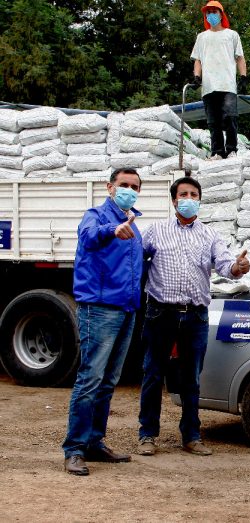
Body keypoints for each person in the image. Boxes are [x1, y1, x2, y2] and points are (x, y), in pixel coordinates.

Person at [137, 176, 250, 457]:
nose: (189, 198)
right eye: (183, 194)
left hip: (195, 315)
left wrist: (239, 266)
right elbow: (137, 261)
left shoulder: (209, 235)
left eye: (194, 194)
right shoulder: (155, 231)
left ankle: (191, 435)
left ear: (199, 199)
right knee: (153, 374)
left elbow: (226, 266)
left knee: (192, 378)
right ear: (174, 200)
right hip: (161, 312)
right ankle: (147, 435)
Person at [62, 168, 144, 476]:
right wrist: (112, 231)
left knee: (108, 381)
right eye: (124, 185)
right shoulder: (95, 215)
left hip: (125, 309)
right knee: (90, 379)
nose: (129, 190)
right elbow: (88, 236)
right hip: (99, 309)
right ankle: (74, 449)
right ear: (110, 187)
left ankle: (94, 442)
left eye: (134, 186)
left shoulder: (134, 224)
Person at [191, 0, 247, 160]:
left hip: (227, 84)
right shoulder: (202, 37)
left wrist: (243, 77)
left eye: (214, 12)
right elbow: (198, 60)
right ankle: (217, 152)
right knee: (213, 122)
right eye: (208, 12)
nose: (211, 15)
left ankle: (231, 150)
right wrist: (197, 77)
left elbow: (240, 58)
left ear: (221, 14)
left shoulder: (231, 35)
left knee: (230, 117)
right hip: (208, 86)